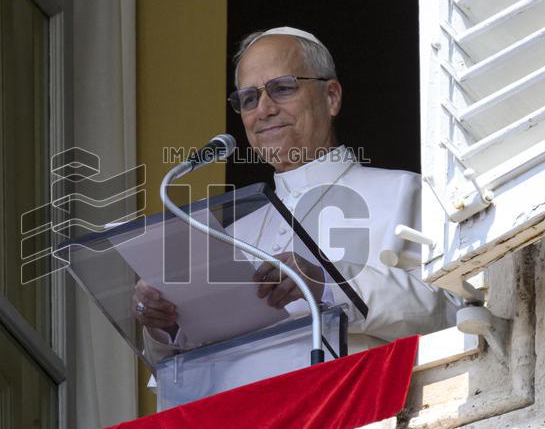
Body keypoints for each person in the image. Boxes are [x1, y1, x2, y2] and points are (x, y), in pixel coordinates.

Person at [134, 27, 455, 361]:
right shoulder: (230, 238)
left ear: (331, 97)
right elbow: (187, 371)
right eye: (249, 99)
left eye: (282, 88)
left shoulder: (408, 191)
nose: (263, 110)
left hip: (365, 406)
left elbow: (453, 311)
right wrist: (165, 321)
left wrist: (326, 284)